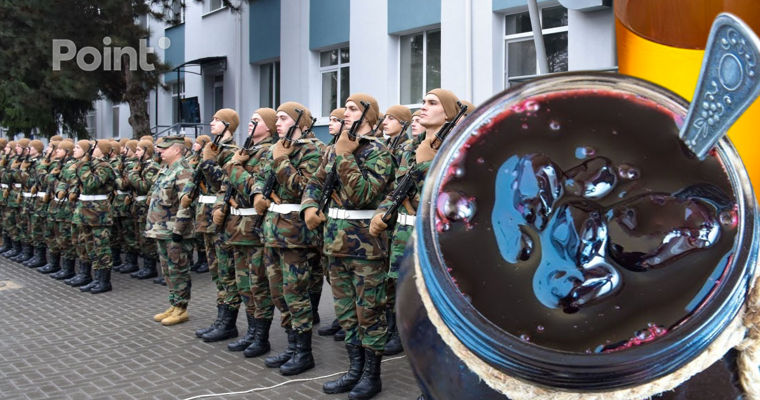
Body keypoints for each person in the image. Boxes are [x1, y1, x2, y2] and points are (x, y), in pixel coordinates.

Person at [302, 93, 394, 399]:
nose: (345, 114)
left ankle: (372, 376)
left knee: (369, 312)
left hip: (366, 247)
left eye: (352, 109)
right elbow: (315, 183)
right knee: (346, 313)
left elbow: (363, 195)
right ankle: (354, 370)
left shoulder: (379, 152)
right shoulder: (333, 149)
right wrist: (308, 206)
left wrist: (344, 155)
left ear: (369, 116)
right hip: (334, 243)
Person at [371, 89, 461, 358]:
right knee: (404, 295)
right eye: (423, 102)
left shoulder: (457, 149)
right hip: (404, 235)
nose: (423, 107)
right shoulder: (409, 148)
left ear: (449, 112)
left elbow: (447, 200)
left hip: (434, 239)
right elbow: (397, 189)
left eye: (432, 103)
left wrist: (424, 166)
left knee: (433, 303)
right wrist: (382, 212)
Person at [251, 102, 323, 376]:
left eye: (283, 118)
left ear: (300, 123)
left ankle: (304, 352)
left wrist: (281, 160)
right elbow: (260, 177)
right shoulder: (277, 147)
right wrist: (258, 194)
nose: (278, 123)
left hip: (296, 235)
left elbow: (302, 187)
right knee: (278, 293)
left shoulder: (313, 150)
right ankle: (292, 346)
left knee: (296, 294)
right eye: (277, 118)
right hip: (272, 232)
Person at [216, 107, 278, 355]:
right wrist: (220, 205)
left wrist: (234, 167)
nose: (251, 124)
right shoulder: (247, 150)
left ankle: (261, 337)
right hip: (237, 227)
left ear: (269, 126)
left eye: (256, 121)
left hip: (255, 228)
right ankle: (251, 332)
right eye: (250, 120)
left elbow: (253, 187)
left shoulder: (270, 151)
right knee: (243, 284)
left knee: (258, 285)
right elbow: (226, 185)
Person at [190, 108, 243, 343]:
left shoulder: (231, 152)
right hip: (206, 216)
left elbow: (225, 182)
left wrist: (209, 162)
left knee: (226, 272)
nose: (211, 123)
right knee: (216, 272)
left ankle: (228, 323)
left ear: (228, 125)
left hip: (222, 217)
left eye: (217, 120)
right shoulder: (213, 148)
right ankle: (220, 319)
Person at [148, 136, 196, 326]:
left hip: (175, 231)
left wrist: (179, 229)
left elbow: (186, 203)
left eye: (164, 148)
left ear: (176, 150)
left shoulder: (183, 171)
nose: (160, 151)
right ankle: (174, 303)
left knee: (178, 269)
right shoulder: (166, 169)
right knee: (168, 270)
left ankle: (181, 308)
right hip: (161, 229)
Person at [316, 108, 346, 340]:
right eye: (331, 119)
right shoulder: (329, 149)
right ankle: (341, 317)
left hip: (352, 228)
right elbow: (316, 182)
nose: (331, 123)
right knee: (332, 276)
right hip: (330, 223)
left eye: (337, 120)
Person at [126, 140, 161, 280]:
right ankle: (146, 266)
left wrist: (133, 175)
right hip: (138, 206)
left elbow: (144, 186)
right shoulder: (141, 165)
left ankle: (150, 268)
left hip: (146, 207)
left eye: (139, 150)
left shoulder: (152, 167)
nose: (136, 153)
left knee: (147, 239)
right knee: (140, 237)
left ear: (147, 151)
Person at [49, 140, 79, 280]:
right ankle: (63, 267)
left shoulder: (72, 166)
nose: (56, 151)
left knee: (66, 238)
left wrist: (53, 178)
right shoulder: (60, 164)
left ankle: (69, 270)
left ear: (67, 151)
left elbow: (69, 184)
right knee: (59, 237)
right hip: (59, 206)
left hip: (68, 207)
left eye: (60, 149)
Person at [188, 135, 211, 274]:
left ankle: (206, 261)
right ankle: (201, 259)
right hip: (198, 200)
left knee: (204, 234)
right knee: (198, 233)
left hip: (207, 200)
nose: (194, 145)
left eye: (197, 143)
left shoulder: (206, 158)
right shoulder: (194, 158)